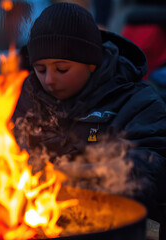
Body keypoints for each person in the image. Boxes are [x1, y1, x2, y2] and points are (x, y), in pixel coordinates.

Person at [13, 2, 166, 224]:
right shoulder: (25, 96)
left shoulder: (137, 102)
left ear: (91, 64)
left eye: (62, 69)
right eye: (41, 69)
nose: (49, 80)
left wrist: (82, 173)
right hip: (40, 220)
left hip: (116, 227)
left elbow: (155, 168)